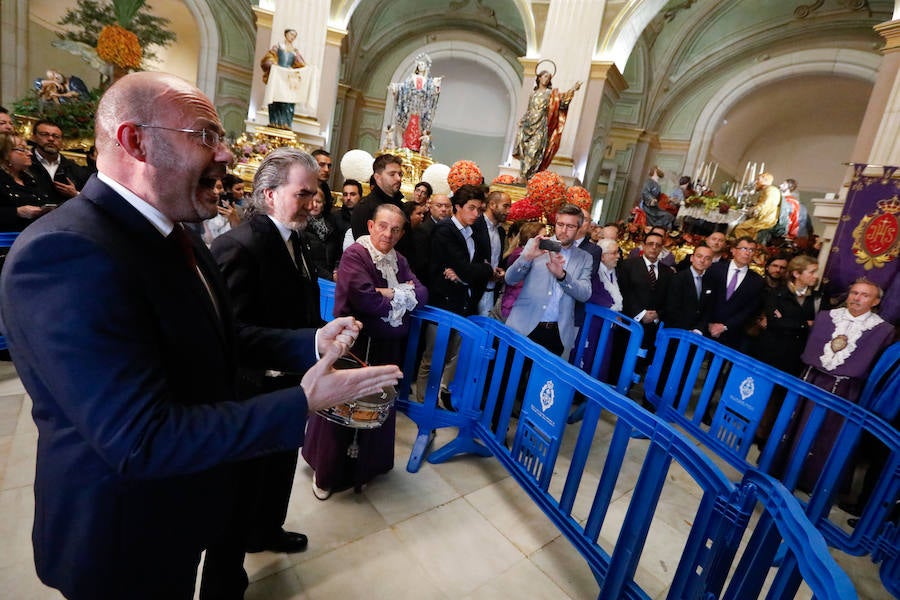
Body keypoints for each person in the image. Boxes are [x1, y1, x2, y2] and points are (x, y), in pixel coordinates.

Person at [0, 71, 402, 600]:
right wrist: (301, 400)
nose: (228, 157)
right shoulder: (64, 252)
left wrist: (310, 344)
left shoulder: (172, 232)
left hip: (184, 500)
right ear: (135, 141)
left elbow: (220, 334)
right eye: (206, 136)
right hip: (124, 530)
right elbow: (141, 439)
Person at [305, 204, 428, 499]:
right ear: (371, 226)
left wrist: (388, 292)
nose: (389, 234)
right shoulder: (355, 255)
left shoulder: (399, 259)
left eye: (396, 229)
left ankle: (366, 468)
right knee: (341, 407)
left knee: (378, 408)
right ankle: (326, 474)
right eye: (383, 226)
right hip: (354, 345)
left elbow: (422, 294)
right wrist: (399, 293)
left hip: (386, 346)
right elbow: (364, 300)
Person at [786, 279, 894, 492]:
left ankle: (813, 482)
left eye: (864, 295)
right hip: (813, 381)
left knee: (829, 436)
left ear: (876, 301)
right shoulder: (826, 317)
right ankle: (786, 470)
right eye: (854, 293)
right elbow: (812, 350)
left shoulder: (883, 330)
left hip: (846, 391)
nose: (856, 298)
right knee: (799, 426)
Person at [417, 185, 494, 405]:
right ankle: (424, 403)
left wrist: (469, 273)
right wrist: (486, 270)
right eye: (471, 208)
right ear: (457, 207)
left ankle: (436, 398)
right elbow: (470, 269)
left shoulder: (474, 233)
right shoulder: (445, 230)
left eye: (479, 209)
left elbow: (468, 270)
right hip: (442, 302)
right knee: (432, 357)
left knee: (450, 356)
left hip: (463, 302)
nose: (476, 214)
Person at [505, 203, 593, 357]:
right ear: (555, 224)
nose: (564, 230)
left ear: (578, 229)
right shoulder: (536, 245)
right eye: (560, 224)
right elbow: (510, 279)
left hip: (557, 333)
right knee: (510, 378)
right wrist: (527, 257)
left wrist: (563, 276)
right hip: (523, 326)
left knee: (544, 381)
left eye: (570, 226)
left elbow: (585, 294)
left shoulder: (585, 258)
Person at [513, 69, 581, 182]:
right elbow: (529, 110)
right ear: (539, 78)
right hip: (528, 126)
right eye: (544, 76)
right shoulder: (533, 94)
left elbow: (562, 101)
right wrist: (522, 120)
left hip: (541, 126)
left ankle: (525, 176)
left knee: (534, 151)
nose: (546, 79)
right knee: (525, 152)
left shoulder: (550, 94)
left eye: (548, 78)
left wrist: (573, 89)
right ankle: (524, 175)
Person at [706, 236, 764, 350]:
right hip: (705, 326)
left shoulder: (757, 280)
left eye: (751, 250)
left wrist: (725, 326)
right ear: (733, 250)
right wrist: (709, 323)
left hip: (732, 333)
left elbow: (750, 309)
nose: (747, 253)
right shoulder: (714, 269)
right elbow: (705, 298)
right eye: (744, 248)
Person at [390, 53, 442, 152]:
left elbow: (432, 94)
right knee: (409, 124)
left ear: (426, 67)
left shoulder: (428, 81)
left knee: (419, 127)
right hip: (410, 105)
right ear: (417, 66)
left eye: (423, 64)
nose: (421, 66)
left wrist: (436, 85)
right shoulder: (412, 78)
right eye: (420, 64)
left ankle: (416, 146)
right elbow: (404, 87)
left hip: (421, 108)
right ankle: (406, 145)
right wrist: (396, 88)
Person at [30, 119, 89, 205]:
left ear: (62, 141)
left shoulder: (74, 169)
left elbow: (89, 198)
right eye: (45, 135)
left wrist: (75, 194)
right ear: (34, 137)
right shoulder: (24, 163)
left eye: (56, 136)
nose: (51, 139)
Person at [0, 132, 51, 230]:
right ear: (4, 153)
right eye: (22, 149)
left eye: (27, 149)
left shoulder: (31, 178)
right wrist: (16, 212)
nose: (30, 153)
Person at [474, 190, 511, 315]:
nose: (508, 211)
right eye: (505, 206)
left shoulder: (500, 231)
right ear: (492, 205)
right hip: (475, 290)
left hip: (492, 291)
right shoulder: (475, 225)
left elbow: (496, 260)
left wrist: (500, 272)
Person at [350, 154, 405, 239]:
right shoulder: (364, 207)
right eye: (392, 174)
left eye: (400, 174)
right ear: (377, 177)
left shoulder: (402, 207)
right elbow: (363, 246)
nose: (398, 179)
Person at [260, 29, 306, 129]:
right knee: (275, 98)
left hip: (288, 79)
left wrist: (293, 68)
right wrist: (274, 64)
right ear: (286, 34)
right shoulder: (278, 47)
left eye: (294, 35)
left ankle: (286, 123)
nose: (292, 37)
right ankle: (275, 122)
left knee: (288, 100)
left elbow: (302, 65)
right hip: (278, 77)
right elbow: (267, 59)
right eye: (291, 34)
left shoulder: (295, 51)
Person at [498, 221, 544, 320]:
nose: (546, 240)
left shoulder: (524, 254)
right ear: (532, 239)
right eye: (542, 237)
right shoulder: (521, 256)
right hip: (514, 309)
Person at [733, 172, 781, 241]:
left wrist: (755, 210)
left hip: (765, 220)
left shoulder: (771, 190)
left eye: (758, 179)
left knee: (740, 228)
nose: (756, 182)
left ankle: (749, 244)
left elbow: (767, 204)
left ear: (765, 180)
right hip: (764, 217)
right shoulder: (768, 190)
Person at [306, 187, 340, 280]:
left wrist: (337, 270)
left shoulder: (331, 225)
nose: (314, 205)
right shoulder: (301, 226)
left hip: (331, 275)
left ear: (323, 204)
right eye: (311, 201)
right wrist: (330, 276)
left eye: (318, 202)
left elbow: (337, 251)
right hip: (312, 276)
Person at [333, 178, 362, 244]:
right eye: (345, 194)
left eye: (353, 194)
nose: (348, 198)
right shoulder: (334, 218)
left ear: (360, 196)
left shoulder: (366, 217)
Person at [312, 149, 334, 214]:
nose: (326, 170)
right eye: (321, 165)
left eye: (329, 166)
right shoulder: (301, 187)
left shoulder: (326, 191)